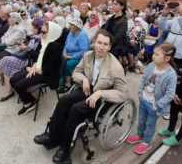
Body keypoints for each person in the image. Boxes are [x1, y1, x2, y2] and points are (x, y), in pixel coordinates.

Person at [33, 29, 128, 164]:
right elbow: (76, 72)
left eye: (105, 44)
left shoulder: (115, 66)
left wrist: (101, 93)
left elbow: (122, 93)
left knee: (75, 110)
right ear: (94, 43)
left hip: (101, 99)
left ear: (110, 47)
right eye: (99, 42)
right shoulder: (88, 56)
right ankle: (53, 136)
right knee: (64, 100)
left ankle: (65, 150)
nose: (101, 47)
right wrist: (83, 79)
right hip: (86, 89)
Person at [126, 43, 177, 154]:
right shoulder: (151, 65)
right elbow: (143, 78)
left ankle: (146, 142)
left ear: (167, 58)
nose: (153, 56)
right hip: (144, 100)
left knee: (150, 124)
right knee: (141, 120)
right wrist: (140, 93)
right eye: (154, 53)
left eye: (157, 54)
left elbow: (170, 94)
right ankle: (139, 135)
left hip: (155, 106)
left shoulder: (171, 74)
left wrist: (158, 105)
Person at [10, 22, 67, 115]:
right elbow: (38, 58)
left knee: (18, 85)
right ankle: (30, 100)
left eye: (44, 32)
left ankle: (30, 102)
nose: (41, 34)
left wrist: (35, 69)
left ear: (52, 33)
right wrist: (33, 66)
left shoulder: (55, 47)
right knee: (13, 79)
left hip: (46, 75)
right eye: (41, 31)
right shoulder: (44, 42)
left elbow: (49, 68)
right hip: (37, 68)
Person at [0, 18, 43, 102]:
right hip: (25, 57)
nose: (32, 29)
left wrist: (27, 49)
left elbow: (38, 57)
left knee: (5, 60)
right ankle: (7, 90)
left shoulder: (41, 40)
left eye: (34, 27)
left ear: (38, 28)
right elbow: (27, 47)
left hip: (30, 62)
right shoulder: (33, 37)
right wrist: (24, 45)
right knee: (5, 61)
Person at [59, 18, 90, 92]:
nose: (70, 27)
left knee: (69, 63)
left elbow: (84, 51)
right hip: (68, 54)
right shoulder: (71, 33)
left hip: (79, 57)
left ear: (77, 27)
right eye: (71, 25)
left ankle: (70, 82)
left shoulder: (82, 35)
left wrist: (71, 56)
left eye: (72, 25)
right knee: (60, 60)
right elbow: (66, 44)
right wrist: (64, 52)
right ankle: (62, 82)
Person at [102, 0, 130, 68]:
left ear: (122, 6)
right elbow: (105, 29)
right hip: (107, 43)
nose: (112, 6)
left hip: (116, 47)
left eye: (115, 4)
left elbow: (118, 37)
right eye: (112, 4)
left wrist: (107, 44)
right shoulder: (112, 17)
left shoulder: (123, 21)